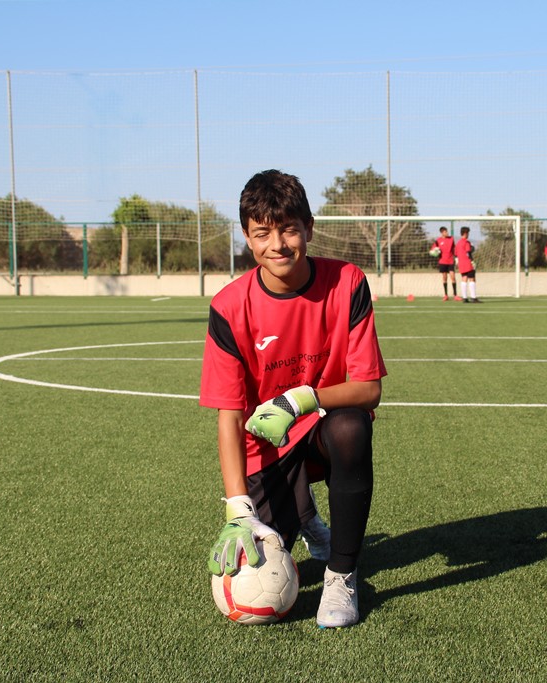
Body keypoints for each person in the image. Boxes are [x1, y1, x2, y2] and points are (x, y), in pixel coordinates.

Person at [200, 169, 387, 629]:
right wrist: (238, 507)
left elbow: (369, 389)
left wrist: (300, 399)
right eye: (262, 233)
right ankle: (304, 516)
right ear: (247, 237)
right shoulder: (229, 306)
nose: (278, 245)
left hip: (320, 427)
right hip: (265, 445)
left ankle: (341, 575)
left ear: (309, 228)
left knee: (351, 426)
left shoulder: (347, 282)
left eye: (288, 229)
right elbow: (230, 416)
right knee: (264, 558)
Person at [431, 226, 459, 300]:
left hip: (450, 261)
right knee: (444, 277)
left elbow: (454, 249)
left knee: (453, 277)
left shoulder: (451, 239)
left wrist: (456, 258)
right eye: (445, 232)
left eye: (447, 231)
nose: (447, 233)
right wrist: (435, 252)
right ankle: (446, 295)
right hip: (442, 262)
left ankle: (455, 295)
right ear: (442, 233)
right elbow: (433, 250)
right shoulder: (438, 240)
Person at [454, 226, 480, 303]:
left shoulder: (458, 243)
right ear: (465, 233)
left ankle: (465, 298)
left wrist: (457, 262)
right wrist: (472, 261)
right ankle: (473, 297)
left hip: (461, 264)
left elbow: (455, 254)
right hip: (468, 263)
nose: (468, 234)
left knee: (464, 279)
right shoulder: (466, 242)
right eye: (468, 233)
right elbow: (468, 252)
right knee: (472, 279)